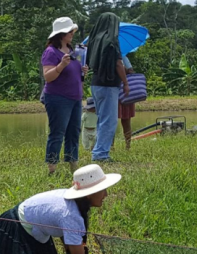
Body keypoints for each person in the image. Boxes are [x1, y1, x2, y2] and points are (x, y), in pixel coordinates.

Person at [41, 17, 87, 175]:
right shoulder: (51, 52)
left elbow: (76, 76)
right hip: (57, 97)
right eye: (70, 31)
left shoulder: (74, 51)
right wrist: (61, 65)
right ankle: (52, 167)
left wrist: (83, 73)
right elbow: (48, 76)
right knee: (57, 132)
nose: (73, 34)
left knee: (74, 131)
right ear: (61, 34)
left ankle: (73, 163)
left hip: (75, 97)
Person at [86, 12, 129, 163]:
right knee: (109, 120)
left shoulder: (94, 39)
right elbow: (118, 64)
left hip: (95, 83)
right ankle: (100, 154)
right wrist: (126, 83)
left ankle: (99, 150)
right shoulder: (112, 40)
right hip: (109, 84)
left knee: (101, 119)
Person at [117, 55, 136, 150]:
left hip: (125, 92)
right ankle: (110, 146)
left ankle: (128, 145)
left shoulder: (123, 56)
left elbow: (131, 71)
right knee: (110, 121)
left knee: (126, 120)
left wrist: (123, 69)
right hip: (115, 91)